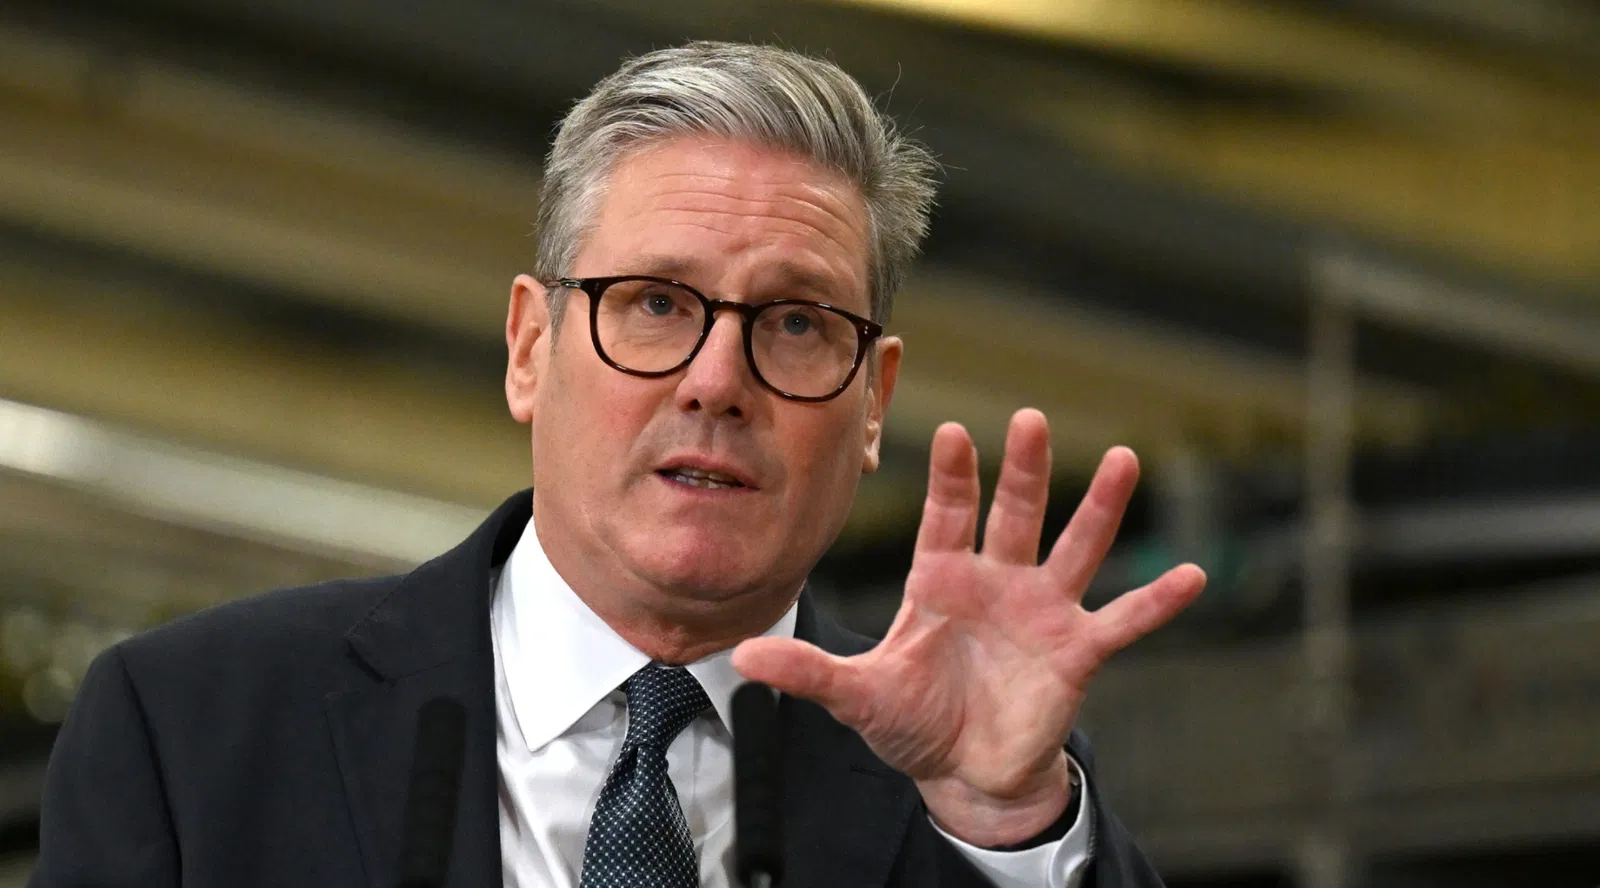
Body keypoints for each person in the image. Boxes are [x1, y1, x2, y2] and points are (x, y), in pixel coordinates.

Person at [31, 41, 1205, 888]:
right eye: (653, 303)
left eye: (796, 323)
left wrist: (1006, 826)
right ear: (529, 348)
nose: (716, 379)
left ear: (871, 404)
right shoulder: (192, 727)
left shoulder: (967, 786)